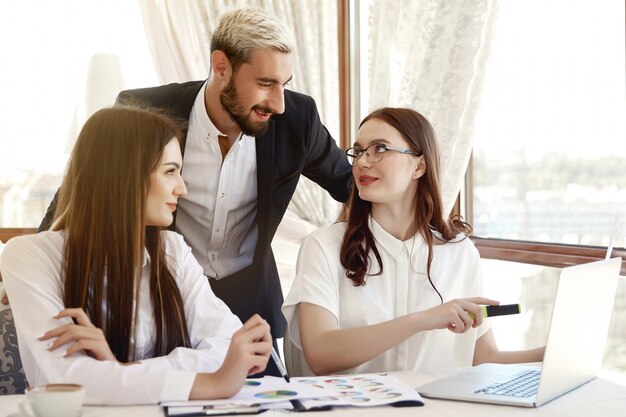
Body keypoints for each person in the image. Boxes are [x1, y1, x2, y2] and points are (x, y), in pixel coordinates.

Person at [36, 7, 352, 367]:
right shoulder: (144, 111)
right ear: (221, 66)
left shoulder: (298, 119)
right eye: (265, 84)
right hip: (158, 298)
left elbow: (352, 185)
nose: (278, 103)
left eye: (285, 84)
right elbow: (83, 190)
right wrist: (36, 272)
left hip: (250, 306)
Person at [0, 106, 272, 404]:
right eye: (170, 171)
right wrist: (213, 383)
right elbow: (71, 379)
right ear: (124, 173)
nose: (182, 188)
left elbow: (229, 347)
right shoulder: (28, 257)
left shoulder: (172, 250)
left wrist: (122, 370)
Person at [282, 107, 545, 376]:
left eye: (379, 148)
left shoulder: (460, 252)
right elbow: (322, 353)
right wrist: (423, 320)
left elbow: (484, 358)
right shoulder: (323, 247)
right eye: (359, 151)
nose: (362, 162)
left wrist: (548, 355)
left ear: (419, 165)